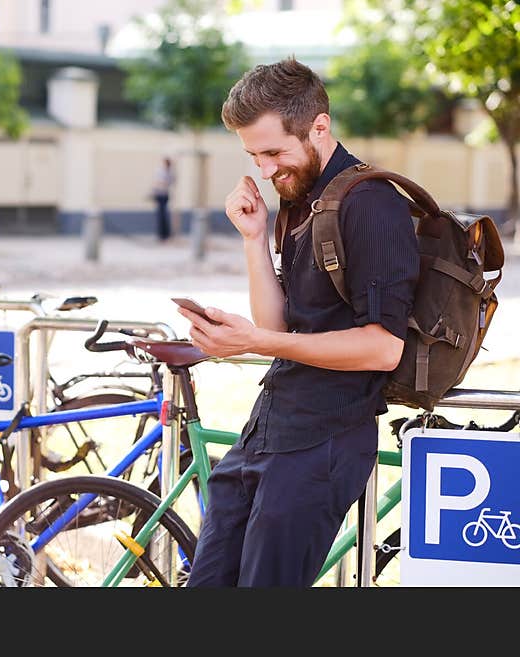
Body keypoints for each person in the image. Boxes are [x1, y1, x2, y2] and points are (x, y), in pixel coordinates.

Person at [177, 58, 419, 587]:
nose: (265, 170)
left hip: (325, 439)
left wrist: (255, 341)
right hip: (270, 425)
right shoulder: (301, 197)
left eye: (274, 152)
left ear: (319, 127)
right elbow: (280, 325)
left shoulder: (372, 204)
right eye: (253, 156)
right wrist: (252, 238)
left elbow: (383, 348)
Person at [151, 157, 176, 240]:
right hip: (159, 194)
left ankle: (166, 234)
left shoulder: (170, 172)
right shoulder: (160, 171)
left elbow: (171, 182)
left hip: (164, 194)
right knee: (160, 215)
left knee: (164, 215)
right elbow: (157, 182)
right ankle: (161, 235)